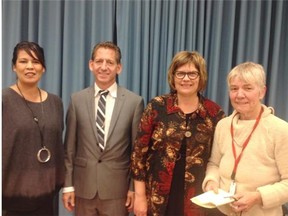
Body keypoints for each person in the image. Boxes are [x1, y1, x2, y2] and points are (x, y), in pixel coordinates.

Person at [131, 51, 226, 216]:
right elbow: (139, 155)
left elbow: (219, 158)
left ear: (201, 77)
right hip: (157, 194)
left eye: (192, 74)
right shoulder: (156, 107)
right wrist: (139, 197)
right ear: (173, 76)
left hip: (197, 197)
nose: (186, 79)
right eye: (180, 73)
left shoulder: (214, 113)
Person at [62, 41, 144, 216]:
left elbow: (137, 152)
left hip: (117, 191)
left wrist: (132, 188)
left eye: (110, 62)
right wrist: (68, 185)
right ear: (91, 65)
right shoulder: (77, 100)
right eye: (99, 61)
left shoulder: (134, 102)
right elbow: (69, 148)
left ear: (119, 67)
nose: (104, 67)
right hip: (83, 189)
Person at [203, 62, 288, 216]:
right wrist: (211, 181)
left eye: (248, 88)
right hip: (222, 212)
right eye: (234, 89)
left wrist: (258, 197)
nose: (239, 95)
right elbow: (214, 164)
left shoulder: (281, 130)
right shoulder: (223, 125)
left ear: (262, 92)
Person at [2, 41, 65, 215]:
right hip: (11, 201)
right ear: (14, 67)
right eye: (23, 61)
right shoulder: (4, 100)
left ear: (43, 68)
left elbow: (59, 146)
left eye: (36, 62)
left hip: (46, 198)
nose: (30, 66)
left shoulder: (55, 102)